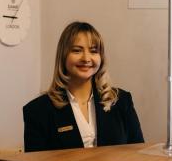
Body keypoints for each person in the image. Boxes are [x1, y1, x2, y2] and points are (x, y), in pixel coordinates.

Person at [23, 21, 144, 152]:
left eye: (93, 51)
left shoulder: (122, 101)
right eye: (77, 50)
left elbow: (139, 155)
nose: (86, 58)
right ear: (63, 56)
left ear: (101, 57)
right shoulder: (37, 111)